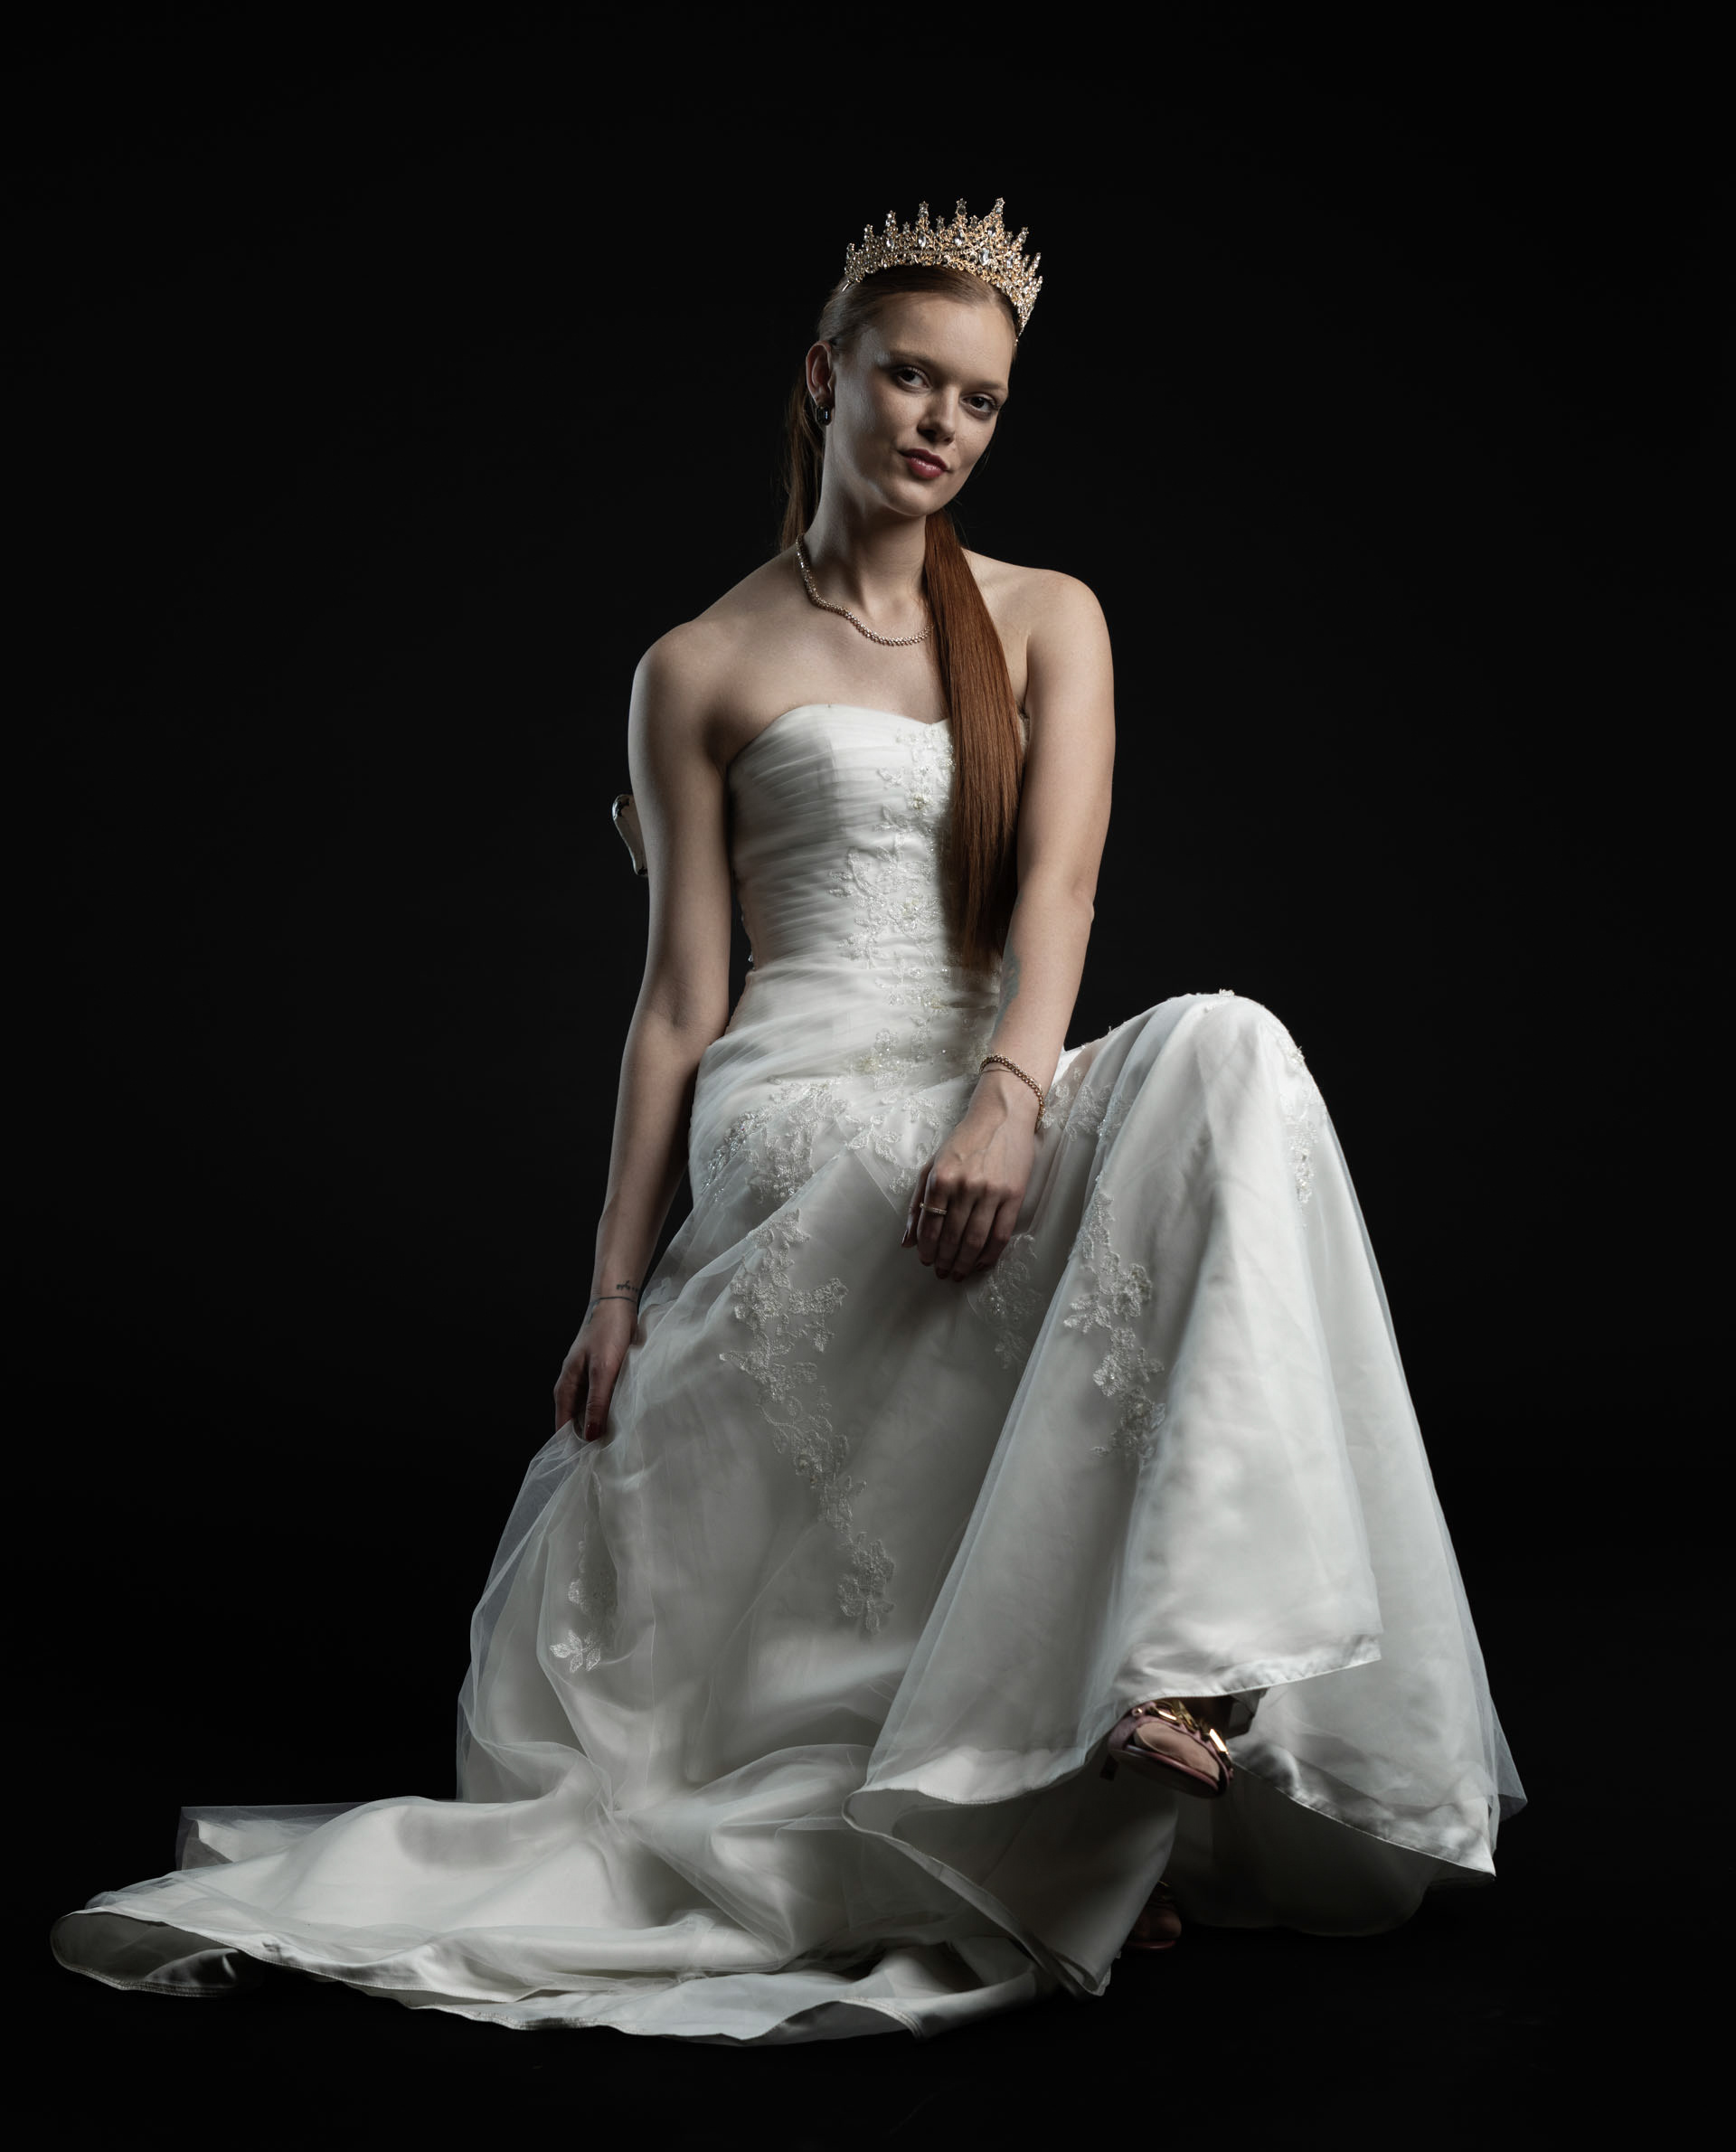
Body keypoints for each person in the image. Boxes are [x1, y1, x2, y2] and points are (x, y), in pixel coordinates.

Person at [52, 197, 1524, 2045]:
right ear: (827, 378)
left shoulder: (1049, 618)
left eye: (979, 402)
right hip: (798, 1089)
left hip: (978, 1063)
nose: (940, 423)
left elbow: (1060, 896)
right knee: (916, 1191)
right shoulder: (703, 664)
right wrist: (608, 1294)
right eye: (909, 377)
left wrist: (1007, 1094)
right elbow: (679, 998)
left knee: (1232, 1047)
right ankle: (1042, 1810)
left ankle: (1179, 1680)